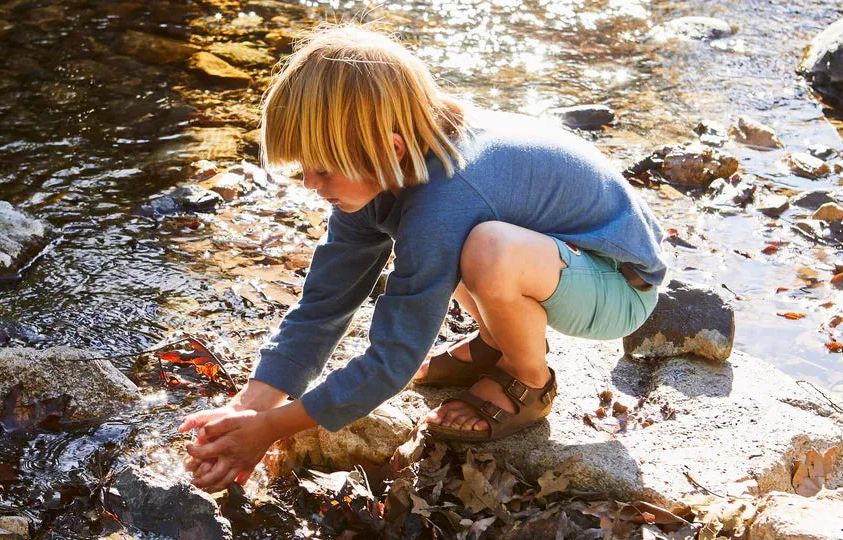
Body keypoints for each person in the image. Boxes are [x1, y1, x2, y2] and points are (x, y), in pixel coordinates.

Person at [178, 23, 667, 493]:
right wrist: (249, 406)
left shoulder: (448, 195)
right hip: (557, 260)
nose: (309, 184)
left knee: (482, 248)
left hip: (618, 283)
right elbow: (325, 305)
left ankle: (528, 382)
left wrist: (271, 429)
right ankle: (493, 345)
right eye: (304, 169)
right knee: (449, 244)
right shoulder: (381, 169)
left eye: (321, 169)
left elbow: (394, 359)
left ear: (386, 149)